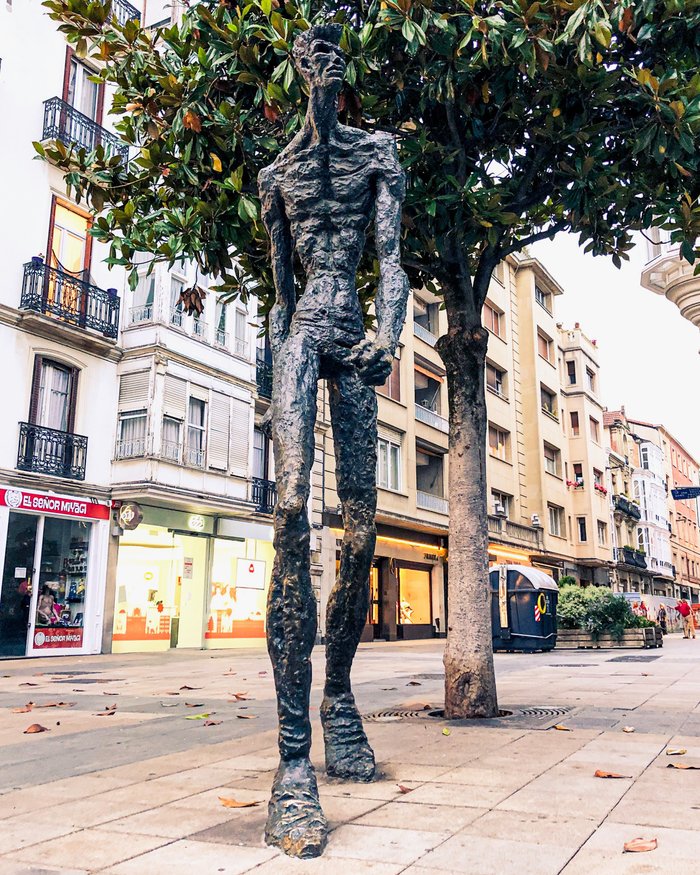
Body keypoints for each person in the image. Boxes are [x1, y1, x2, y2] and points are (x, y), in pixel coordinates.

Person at [258, 23, 408, 857]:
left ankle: (339, 698)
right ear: (296, 64)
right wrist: (275, 374)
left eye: (335, 47)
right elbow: (281, 291)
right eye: (312, 45)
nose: (328, 54)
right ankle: (290, 764)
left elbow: (388, 258)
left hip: (353, 338)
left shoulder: (376, 153)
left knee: (361, 534)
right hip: (301, 333)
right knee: (289, 511)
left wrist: (388, 332)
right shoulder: (274, 175)